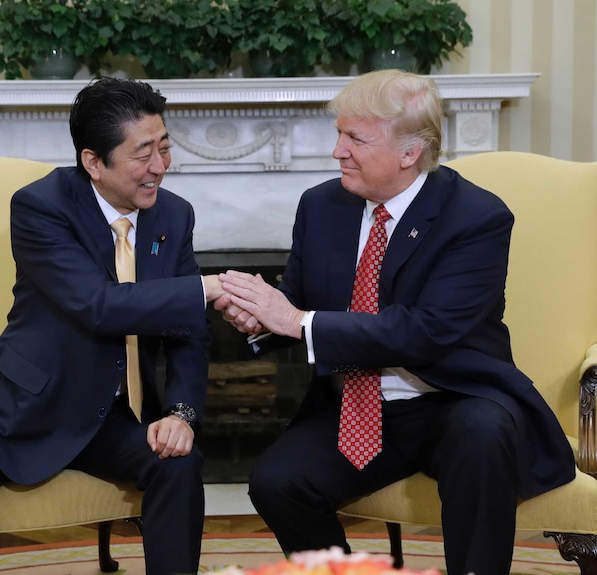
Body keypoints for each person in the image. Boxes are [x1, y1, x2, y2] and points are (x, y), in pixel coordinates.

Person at [214, 69, 576, 575]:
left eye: (355, 138)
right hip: (357, 406)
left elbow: (422, 332)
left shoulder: (475, 218)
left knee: (483, 435)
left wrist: (294, 319)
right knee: (276, 481)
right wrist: (256, 316)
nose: (337, 150)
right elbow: (297, 300)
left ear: (410, 153)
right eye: (338, 133)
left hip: (451, 399)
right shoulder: (322, 205)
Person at [0, 77, 224, 575]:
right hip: (26, 407)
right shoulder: (40, 207)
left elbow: (187, 333)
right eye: (142, 154)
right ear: (93, 161)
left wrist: (181, 413)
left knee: (179, 466)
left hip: (113, 417)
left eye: (165, 146)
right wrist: (207, 288)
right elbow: (97, 305)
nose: (159, 166)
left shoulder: (174, 214)